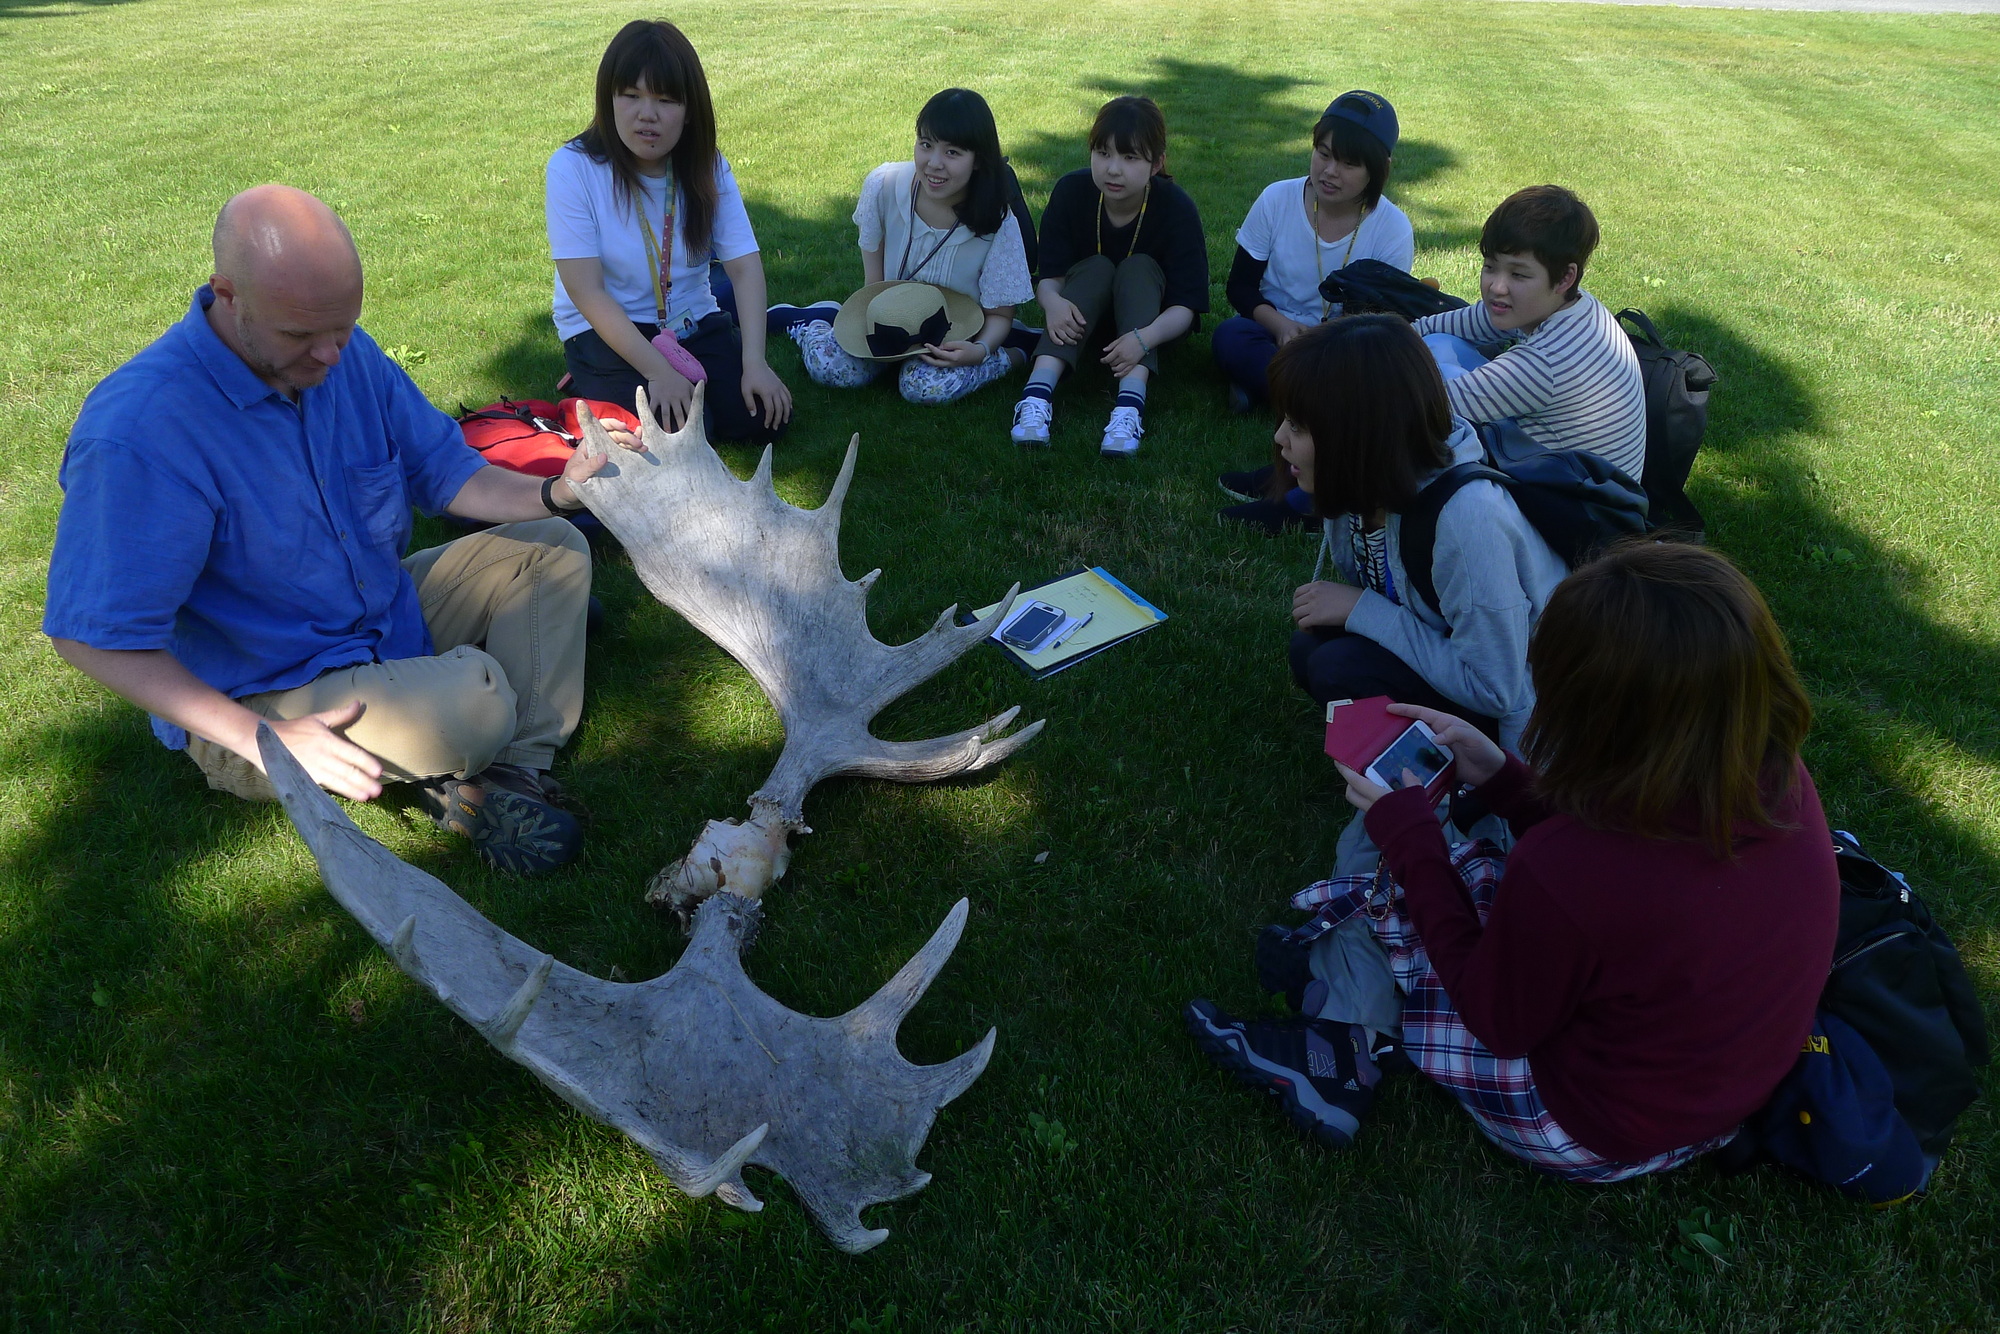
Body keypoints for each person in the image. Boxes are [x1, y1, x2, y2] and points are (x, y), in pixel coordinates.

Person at [1188, 540, 1840, 1181]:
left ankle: (1340, 1044)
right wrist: (1501, 776)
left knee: (1401, 886)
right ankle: (1343, 995)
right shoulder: (1770, 776)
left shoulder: (1568, 866)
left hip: (1582, 1122)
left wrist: (1412, 842)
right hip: (1717, 1099)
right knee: (1461, 875)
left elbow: (1494, 1018)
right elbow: (1632, 882)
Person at [43, 186, 648, 876]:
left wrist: (557, 489)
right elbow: (91, 636)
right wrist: (259, 735)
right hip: (266, 688)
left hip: (380, 619)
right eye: (300, 336)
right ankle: (477, 727)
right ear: (227, 296)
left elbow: (448, 472)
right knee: (477, 701)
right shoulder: (141, 431)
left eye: (344, 327)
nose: (331, 356)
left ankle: (509, 773)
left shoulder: (342, 353)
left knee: (555, 548)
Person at [1277, 317, 1566, 753]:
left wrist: (1363, 610)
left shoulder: (1468, 521)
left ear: (1359, 435)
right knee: (1311, 648)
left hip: (1529, 710)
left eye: (1298, 426)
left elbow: (1498, 690)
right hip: (1454, 655)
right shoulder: (1363, 487)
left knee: (1340, 665)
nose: (1280, 438)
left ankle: (1447, 774)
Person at [546, 20, 791, 443]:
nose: (648, 114)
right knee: (682, 435)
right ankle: (589, 378)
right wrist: (658, 373)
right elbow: (586, 292)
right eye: (631, 96)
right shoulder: (573, 167)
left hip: (689, 320)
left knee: (763, 418)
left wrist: (756, 362)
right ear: (609, 98)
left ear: (690, 109)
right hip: (607, 329)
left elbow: (745, 266)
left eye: (665, 100)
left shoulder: (706, 165)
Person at [1212, 90, 1414, 531]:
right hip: (1272, 333)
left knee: (1363, 377)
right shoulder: (1277, 199)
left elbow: (1379, 322)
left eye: (1349, 163)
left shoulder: (1392, 228)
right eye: (1323, 154)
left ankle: (1296, 452)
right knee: (1230, 336)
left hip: (1341, 349)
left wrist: (1323, 344)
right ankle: (1300, 405)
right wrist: (1282, 326)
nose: (1329, 171)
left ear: (1378, 170)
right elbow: (1240, 287)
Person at [774, 88, 1035, 405]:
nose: (934, 163)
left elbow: (1000, 315)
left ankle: (1012, 354)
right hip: (888, 324)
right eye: (926, 145)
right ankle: (814, 324)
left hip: (955, 334)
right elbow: (872, 287)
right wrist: (872, 342)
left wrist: (979, 351)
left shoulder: (997, 221)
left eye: (952, 153)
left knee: (923, 388)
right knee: (830, 368)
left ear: (978, 159)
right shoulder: (884, 186)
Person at [1005, 96, 1208, 457]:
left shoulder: (1176, 209)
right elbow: (1050, 277)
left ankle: (1129, 407)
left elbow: (1186, 307)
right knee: (1097, 266)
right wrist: (1052, 303)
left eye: (1130, 158)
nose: (1113, 169)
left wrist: (1144, 339)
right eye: (1103, 153)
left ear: (1157, 163)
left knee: (1138, 266)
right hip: (1080, 321)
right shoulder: (1071, 192)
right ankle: (1035, 397)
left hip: (1153, 327)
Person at [1410, 185, 1645, 480]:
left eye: (1518, 274)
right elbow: (1433, 328)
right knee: (1437, 345)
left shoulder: (1544, 362)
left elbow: (1419, 410)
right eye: (1490, 266)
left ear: (1565, 277)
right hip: (1581, 481)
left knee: (1431, 379)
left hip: (1566, 502)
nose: (1497, 287)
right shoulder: (1567, 304)